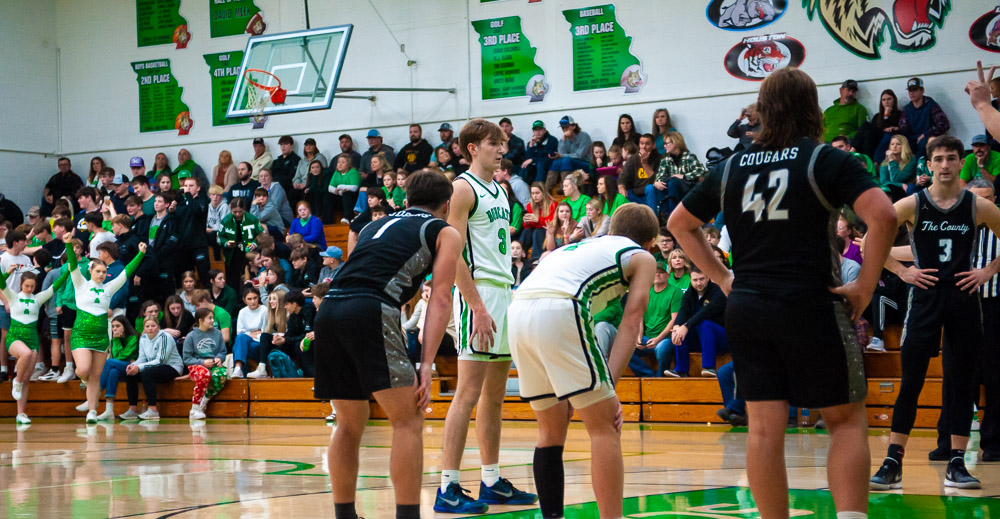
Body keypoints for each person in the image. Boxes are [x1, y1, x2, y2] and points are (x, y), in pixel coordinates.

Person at [668, 67, 896, 519]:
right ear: (813, 109)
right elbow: (884, 216)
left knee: (764, 430)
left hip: (749, 307)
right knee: (845, 420)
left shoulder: (730, 166)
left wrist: (721, 277)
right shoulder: (825, 159)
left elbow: (678, 224)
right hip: (810, 302)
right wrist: (866, 285)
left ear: (764, 110)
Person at [314, 169, 460, 519]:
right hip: (369, 307)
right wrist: (425, 364)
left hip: (329, 308)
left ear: (406, 199)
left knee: (349, 423)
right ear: (447, 204)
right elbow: (440, 299)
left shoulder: (372, 227)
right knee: (408, 419)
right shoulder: (444, 231)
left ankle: (345, 515)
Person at [508, 203, 658, 519]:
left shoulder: (580, 245)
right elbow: (632, 321)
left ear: (613, 228)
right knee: (605, 426)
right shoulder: (642, 257)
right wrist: (610, 386)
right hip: (561, 308)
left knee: (550, 429)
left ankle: (552, 516)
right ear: (651, 241)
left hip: (518, 309)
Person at [869, 136, 1000, 491]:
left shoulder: (977, 206)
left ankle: (957, 463)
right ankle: (893, 459)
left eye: (951, 158)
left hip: (963, 300)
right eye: (938, 158)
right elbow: (869, 241)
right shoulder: (913, 203)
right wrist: (901, 271)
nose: (944, 164)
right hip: (925, 300)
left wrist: (987, 271)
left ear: (962, 164)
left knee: (961, 383)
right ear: (928, 164)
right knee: (911, 380)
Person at [436, 119, 537, 514]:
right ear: (472, 148)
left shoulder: (501, 189)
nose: (502, 148)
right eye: (494, 143)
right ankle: (448, 487)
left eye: (504, 143)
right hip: (476, 295)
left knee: (495, 397)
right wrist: (475, 305)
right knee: (467, 393)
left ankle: (491, 480)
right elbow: (452, 251)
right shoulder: (462, 188)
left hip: (503, 292)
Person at [927, 178, 1000, 462]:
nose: (981, 204)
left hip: (994, 306)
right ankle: (947, 441)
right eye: (975, 199)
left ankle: (993, 443)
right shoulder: (953, 222)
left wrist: (988, 272)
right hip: (958, 305)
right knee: (955, 377)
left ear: (994, 200)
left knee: (995, 377)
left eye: (987, 199)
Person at [63, 232, 148, 423]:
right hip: (81, 334)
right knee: (84, 370)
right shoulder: (81, 284)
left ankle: (92, 410)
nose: (101, 275)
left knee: (96, 375)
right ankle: (83, 383)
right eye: (98, 271)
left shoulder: (108, 288)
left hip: (101, 335)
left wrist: (140, 254)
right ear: (91, 271)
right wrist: (68, 244)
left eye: (103, 272)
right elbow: (74, 265)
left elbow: (126, 272)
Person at [1, 265, 68, 424]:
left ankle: (20, 413)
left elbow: (55, 286)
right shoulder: (13, 296)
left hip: (32, 339)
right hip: (15, 336)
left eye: (32, 286)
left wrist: (68, 272)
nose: (30, 288)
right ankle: (15, 381)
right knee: (26, 355)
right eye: (26, 286)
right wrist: (8, 272)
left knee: (26, 378)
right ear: (21, 285)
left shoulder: (38, 299)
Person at [666, 266, 728, 378]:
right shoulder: (690, 293)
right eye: (695, 280)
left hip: (722, 338)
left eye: (701, 279)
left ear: (708, 278)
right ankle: (681, 370)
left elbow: (706, 312)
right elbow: (683, 310)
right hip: (701, 339)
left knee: (704, 324)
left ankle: (709, 367)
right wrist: (677, 326)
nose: (698, 283)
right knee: (679, 332)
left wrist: (686, 326)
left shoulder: (718, 292)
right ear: (690, 279)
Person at [118, 317, 183, 421]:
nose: (150, 328)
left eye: (153, 326)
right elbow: (142, 358)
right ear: (144, 328)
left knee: (147, 374)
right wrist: (134, 365)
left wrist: (139, 368)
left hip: (172, 367)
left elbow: (161, 360)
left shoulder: (165, 337)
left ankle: (153, 410)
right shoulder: (143, 338)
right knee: (131, 374)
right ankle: (132, 410)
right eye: (147, 326)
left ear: (158, 327)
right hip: (153, 367)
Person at [627, 260, 683, 378]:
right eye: (655, 272)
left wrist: (658, 339)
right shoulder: (646, 291)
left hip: (665, 338)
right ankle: (647, 375)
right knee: (626, 349)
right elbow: (640, 317)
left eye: (661, 272)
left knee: (662, 349)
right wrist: (638, 337)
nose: (657, 274)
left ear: (668, 275)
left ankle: (660, 377)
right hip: (647, 336)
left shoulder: (675, 292)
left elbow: (674, 320)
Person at [183, 307, 228, 420]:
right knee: (205, 374)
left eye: (213, 317)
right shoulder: (191, 336)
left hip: (213, 365)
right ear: (200, 320)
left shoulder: (217, 334)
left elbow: (222, 351)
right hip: (196, 366)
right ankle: (194, 408)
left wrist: (219, 358)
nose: (213, 320)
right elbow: (187, 359)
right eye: (210, 318)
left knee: (222, 373)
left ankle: (204, 401)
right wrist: (202, 362)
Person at [0, 231, 34, 381]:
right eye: (23, 241)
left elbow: (32, 277)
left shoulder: (26, 259)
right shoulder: (3, 259)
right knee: (6, 335)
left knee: (21, 336)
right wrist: (6, 301)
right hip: (5, 303)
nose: (26, 244)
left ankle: (17, 369)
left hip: (22, 303)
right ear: (15, 242)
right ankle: (3, 368)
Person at [95, 316, 140, 421]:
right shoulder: (115, 339)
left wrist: (116, 340)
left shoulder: (133, 337)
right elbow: (116, 356)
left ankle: (96, 394)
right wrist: (116, 340)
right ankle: (109, 410)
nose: (115, 329)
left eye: (118, 326)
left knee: (109, 362)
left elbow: (122, 356)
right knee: (113, 372)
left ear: (125, 326)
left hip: (133, 367)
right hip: (122, 367)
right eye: (113, 326)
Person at [654, 131, 708, 216]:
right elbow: (660, 175)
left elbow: (701, 171)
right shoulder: (665, 160)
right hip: (672, 188)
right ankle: (664, 214)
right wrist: (657, 182)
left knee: (673, 182)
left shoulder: (689, 157)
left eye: (666, 143)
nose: (664, 146)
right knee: (655, 186)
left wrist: (684, 176)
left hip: (687, 188)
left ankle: (673, 214)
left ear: (675, 143)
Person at [218, 198, 264, 293]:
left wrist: (255, 243)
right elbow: (219, 237)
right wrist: (226, 243)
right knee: (232, 279)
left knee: (247, 276)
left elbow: (262, 234)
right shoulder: (226, 220)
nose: (238, 214)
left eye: (240, 211)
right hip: (232, 253)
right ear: (231, 210)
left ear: (244, 209)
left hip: (248, 252)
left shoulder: (252, 219)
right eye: (235, 212)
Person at [175, 175, 211, 285]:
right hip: (184, 246)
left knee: (204, 275)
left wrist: (187, 195)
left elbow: (195, 209)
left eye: (191, 186)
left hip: (198, 245)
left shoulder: (202, 200)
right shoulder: (182, 202)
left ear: (198, 188)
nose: (188, 188)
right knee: (185, 277)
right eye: (186, 185)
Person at [546, 115, 593, 194]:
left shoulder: (584, 136)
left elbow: (579, 155)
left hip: (586, 164)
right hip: (571, 164)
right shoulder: (563, 139)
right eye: (563, 128)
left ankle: (564, 186)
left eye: (566, 127)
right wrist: (563, 140)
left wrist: (562, 156)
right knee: (556, 162)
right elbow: (561, 154)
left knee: (566, 160)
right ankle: (547, 190)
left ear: (574, 126)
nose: (564, 130)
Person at [822, 79, 868, 143]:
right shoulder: (828, 110)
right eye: (848, 90)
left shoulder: (860, 109)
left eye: (853, 91)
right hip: (825, 145)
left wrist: (848, 137)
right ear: (841, 90)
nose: (851, 93)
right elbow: (820, 129)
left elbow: (864, 130)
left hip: (845, 146)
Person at [522, 182, 555, 261]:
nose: (535, 196)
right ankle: (519, 253)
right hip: (533, 232)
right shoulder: (530, 205)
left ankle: (535, 258)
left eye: (537, 193)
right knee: (527, 231)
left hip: (547, 232)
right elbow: (527, 227)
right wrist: (526, 223)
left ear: (543, 193)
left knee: (538, 230)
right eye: (533, 193)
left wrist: (537, 220)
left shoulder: (552, 204)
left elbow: (550, 223)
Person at [879, 135, 917, 201]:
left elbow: (897, 178)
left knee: (910, 188)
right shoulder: (885, 163)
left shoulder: (911, 160)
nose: (894, 146)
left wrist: (892, 161)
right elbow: (883, 181)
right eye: (892, 144)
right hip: (893, 189)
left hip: (908, 189)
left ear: (904, 146)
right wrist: (900, 185)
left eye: (898, 144)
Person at [327, 154, 361, 224]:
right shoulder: (336, 173)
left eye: (343, 162)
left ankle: (348, 218)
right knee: (327, 196)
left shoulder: (353, 172)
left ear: (348, 164)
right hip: (341, 198)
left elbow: (354, 188)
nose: (340, 164)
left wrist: (339, 186)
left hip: (353, 199)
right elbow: (330, 188)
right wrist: (339, 192)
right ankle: (327, 222)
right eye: (339, 162)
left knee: (347, 194)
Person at [294, 138, 328, 204]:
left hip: (313, 183)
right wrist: (297, 184)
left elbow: (322, 174)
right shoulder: (301, 161)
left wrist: (306, 184)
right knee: (292, 192)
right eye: (306, 145)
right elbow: (297, 176)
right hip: (301, 184)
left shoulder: (320, 157)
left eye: (311, 145)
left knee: (306, 192)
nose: (309, 147)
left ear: (315, 146)